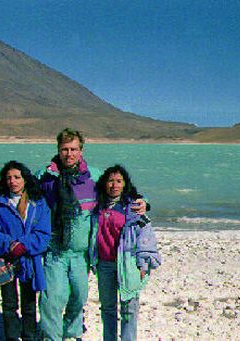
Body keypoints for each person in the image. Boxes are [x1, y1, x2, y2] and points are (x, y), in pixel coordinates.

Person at [37, 128, 147, 340]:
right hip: (56, 251)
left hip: (82, 254)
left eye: (74, 149)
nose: (69, 154)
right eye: (65, 149)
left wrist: (144, 202)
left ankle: (71, 334)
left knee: (78, 298)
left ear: (81, 150)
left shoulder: (94, 177)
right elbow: (19, 191)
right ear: (58, 150)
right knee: (53, 299)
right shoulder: (45, 177)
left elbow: (123, 192)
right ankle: (51, 337)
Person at [0, 161, 51, 341]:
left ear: (25, 179)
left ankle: (29, 336)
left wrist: (24, 244)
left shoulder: (38, 205)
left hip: (28, 260)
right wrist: (9, 244)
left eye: (17, 177)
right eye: (9, 178)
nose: (13, 181)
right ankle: (11, 337)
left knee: (29, 303)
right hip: (6, 259)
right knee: (9, 303)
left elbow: (43, 232)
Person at [91, 165, 161, 341]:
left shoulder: (133, 207)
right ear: (104, 183)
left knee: (129, 308)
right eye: (110, 181)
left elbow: (146, 234)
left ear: (125, 184)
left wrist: (143, 263)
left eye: (119, 181)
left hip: (127, 263)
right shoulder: (96, 206)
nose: (114, 185)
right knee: (107, 308)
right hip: (104, 264)